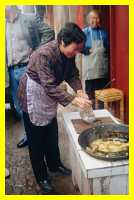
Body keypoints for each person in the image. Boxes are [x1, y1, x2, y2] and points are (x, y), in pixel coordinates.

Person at [17, 22, 91, 194]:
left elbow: (72, 74)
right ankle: (41, 176)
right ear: (62, 42)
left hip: (48, 94)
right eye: (75, 49)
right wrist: (74, 100)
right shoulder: (44, 55)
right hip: (34, 94)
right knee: (36, 140)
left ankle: (55, 164)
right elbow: (49, 87)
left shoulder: (68, 54)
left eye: (78, 50)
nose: (76, 53)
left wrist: (79, 91)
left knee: (51, 133)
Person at [6, 6, 55, 148]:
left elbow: (49, 32)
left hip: (28, 68)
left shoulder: (29, 18)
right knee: (19, 107)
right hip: (10, 70)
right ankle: (30, 135)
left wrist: (38, 51)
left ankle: (43, 138)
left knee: (37, 106)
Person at [82, 9, 109, 105]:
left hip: (102, 71)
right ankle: (91, 114)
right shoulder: (84, 33)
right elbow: (78, 47)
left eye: (97, 18)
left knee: (102, 95)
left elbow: (108, 48)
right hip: (90, 72)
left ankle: (102, 113)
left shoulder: (104, 33)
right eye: (92, 18)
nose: (95, 20)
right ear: (88, 20)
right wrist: (85, 50)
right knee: (90, 97)